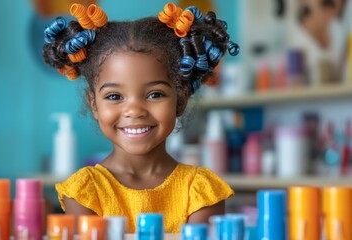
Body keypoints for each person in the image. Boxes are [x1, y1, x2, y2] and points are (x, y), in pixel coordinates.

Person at [42, 2, 239, 233]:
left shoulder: (201, 191)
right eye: (114, 96)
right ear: (93, 104)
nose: (134, 110)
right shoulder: (86, 192)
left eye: (155, 94)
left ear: (181, 99)